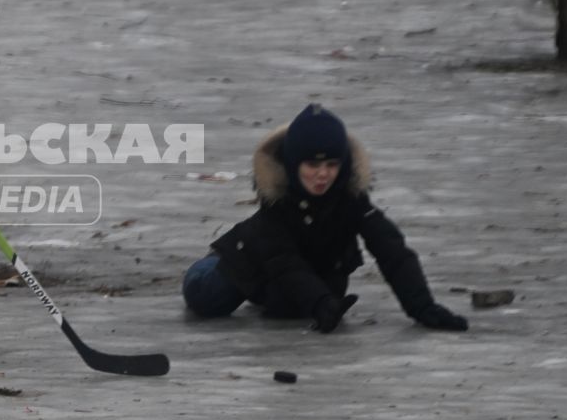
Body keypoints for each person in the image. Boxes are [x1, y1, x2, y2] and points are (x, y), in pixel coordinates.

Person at [181, 104, 470, 334]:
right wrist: (320, 302)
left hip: (295, 274)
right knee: (206, 296)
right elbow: (284, 262)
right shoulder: (277, 204)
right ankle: (213, 267)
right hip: (248, 260)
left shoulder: (351, 199)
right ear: (294, 164)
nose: (323, 174)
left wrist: (423, 308)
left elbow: (392, 251)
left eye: (332, 164)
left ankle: (289, 296)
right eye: (313, 164)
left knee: (298, 304)